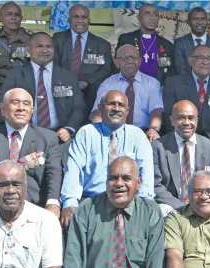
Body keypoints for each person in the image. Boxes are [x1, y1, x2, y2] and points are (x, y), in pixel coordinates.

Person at [58, 157, 166, 268]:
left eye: (126, 178)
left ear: (139, 183)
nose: (119, 183)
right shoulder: (87, 209)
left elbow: (156, 259)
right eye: (113, 178)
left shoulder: (150, 211)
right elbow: (74, 260)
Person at [0, 88, 62, 226]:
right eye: (15, 103)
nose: (21, 108)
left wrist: (53, 202)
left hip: (32, 206)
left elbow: (53, 173)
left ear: (32, 110)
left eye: (26, 104)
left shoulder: (48, 138)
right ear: (2, 109)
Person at [60, 90, 156, 226]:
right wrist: (69, 203)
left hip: (128, 203)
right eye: (111, 104)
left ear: (127, 111)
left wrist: (144, 207)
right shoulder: (86, 133)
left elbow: (146, 176)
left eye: (121, 105)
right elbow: (74, 171)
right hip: (92, 202)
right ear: (100, 108)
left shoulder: (138, 136)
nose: (116, 108)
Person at [0, 32, 85, 145]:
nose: (45, 50)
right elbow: (4, 107)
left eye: (48, 46)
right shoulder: (15, 75)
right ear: (29, 50)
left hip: (59, 137)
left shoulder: (67, 76)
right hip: (24, 137)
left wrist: (68, 129)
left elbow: (78, 107)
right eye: (40, 46)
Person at [153, 100, 210, 213]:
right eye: (181, 118)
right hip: (171, 206)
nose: (187, 122)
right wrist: (182, 207)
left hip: (201, 203)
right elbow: (156, 186)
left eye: (191, 118)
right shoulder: (158, 147)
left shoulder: (209, 146)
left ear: (197, 121)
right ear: (172, 120)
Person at [90, 44, 163, 140]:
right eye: (125, 58)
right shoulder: (107, 84)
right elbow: (97, 113)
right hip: (112, 134)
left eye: (133, 57)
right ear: (116, 62)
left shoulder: (152, 84)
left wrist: (153, 129)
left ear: (140, 61)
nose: (130, 61)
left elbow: (156, 111)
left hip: (143, 134)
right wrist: (99, 133)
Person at [52, 4, 113, 118]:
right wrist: (71, 83)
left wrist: (87, 81)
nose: (80, 20)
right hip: (64, 88)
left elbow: (106, 70)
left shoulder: (102, 44)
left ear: (89, 20)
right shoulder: (58, 39)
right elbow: (53, 65)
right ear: (69, 19)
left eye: (84, 17)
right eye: (76, 17)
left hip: (90, 91)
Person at [164, 45, 210, 141]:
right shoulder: (173, 83)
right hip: (181, 139)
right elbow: (169, 116)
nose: (205, 62)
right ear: (190, 60)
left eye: (209, 58)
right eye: (201, 57)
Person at [117, 4, 175, 84]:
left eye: (155, 14)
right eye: (147, 14)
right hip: (130, 86)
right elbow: (117, 65)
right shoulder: (126, 39)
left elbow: (171, 71)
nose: (152, 18)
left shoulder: (167, 45)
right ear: (139, 18)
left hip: (158, 87)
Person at [173, 7, 210, 74]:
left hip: (209, 83)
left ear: (207, 21)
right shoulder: (180, 43)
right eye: (195, 19)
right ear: (188, 22)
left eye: (203, 19)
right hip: (186, 82)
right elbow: (180, 69)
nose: (199, 22)